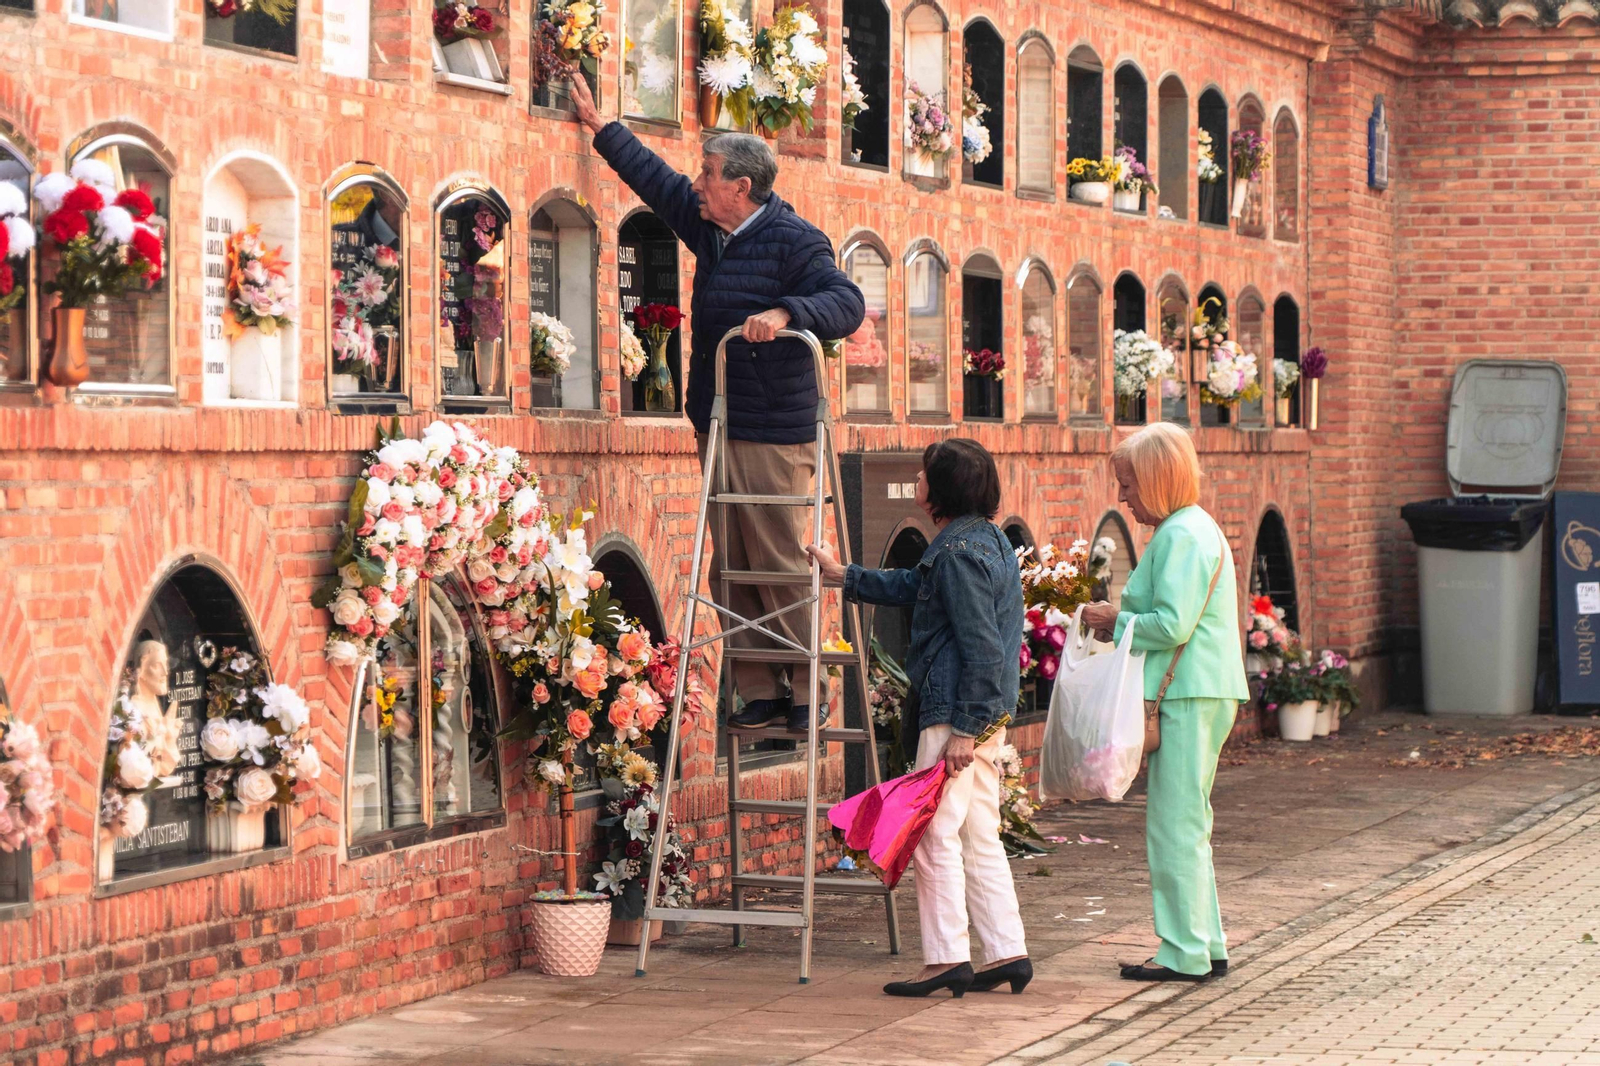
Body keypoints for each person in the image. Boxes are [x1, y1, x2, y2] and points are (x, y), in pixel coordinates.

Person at [569, 76, 865, 735]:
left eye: (708, 174)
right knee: (730, 563)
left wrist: (788, 311)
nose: (697, 183)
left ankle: (809, 686)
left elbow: (847, 304)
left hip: (774, 432)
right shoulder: (713, 229)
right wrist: (601, 126)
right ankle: (759, 688)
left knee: (781, 563)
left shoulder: (796, 241)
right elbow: (657, 181)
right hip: (721, 421)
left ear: (742, 187)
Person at [807, 439, 1030, 999]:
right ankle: (1007, 952)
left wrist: (961, 729)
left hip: (955, 711)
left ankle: (946, 959)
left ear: (944, 487)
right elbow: (916, 587)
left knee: (931, 833)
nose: (917, 479)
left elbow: (980, 644)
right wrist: (846, 576)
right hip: (982, 710)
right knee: (978, 831)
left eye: (925, 473)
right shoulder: (984, 542)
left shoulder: (957, 552)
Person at [1081, 423, 1249, 982]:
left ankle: (1183, 952)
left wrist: (1113, 619)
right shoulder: (1194, 528)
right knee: (1189, 822)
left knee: (1173, 825)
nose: (1124, 499)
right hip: (1203, 687)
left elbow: (1172, 624)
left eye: (1128, 485)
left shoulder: (1180, 534)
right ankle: (1205, 943)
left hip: (1187, 691)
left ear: (1154, 480)